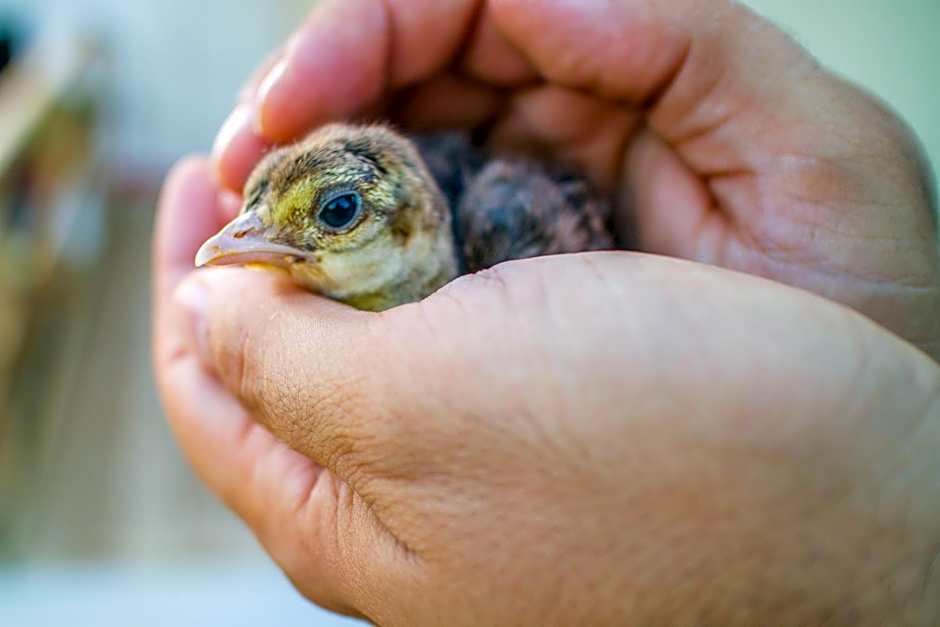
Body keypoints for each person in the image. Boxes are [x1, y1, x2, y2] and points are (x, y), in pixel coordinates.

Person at [152, 1, 940, 623]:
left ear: (408, 227)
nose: (245, 241)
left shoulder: (510, 227)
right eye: (259, 209)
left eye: (337, 211)